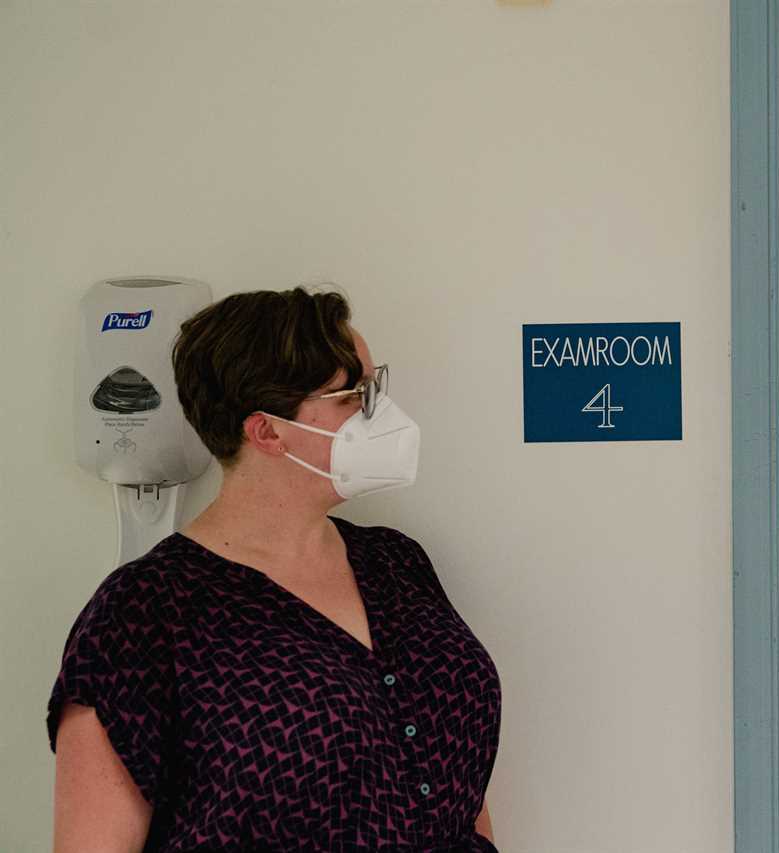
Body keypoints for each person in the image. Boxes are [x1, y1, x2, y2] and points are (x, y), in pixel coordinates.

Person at [48, 287, 502, 851]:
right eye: (353, 395)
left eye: (374, 386)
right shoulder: (143, 614)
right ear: (266, 431)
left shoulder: (396, 563)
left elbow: (458, 786)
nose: (378, 411)